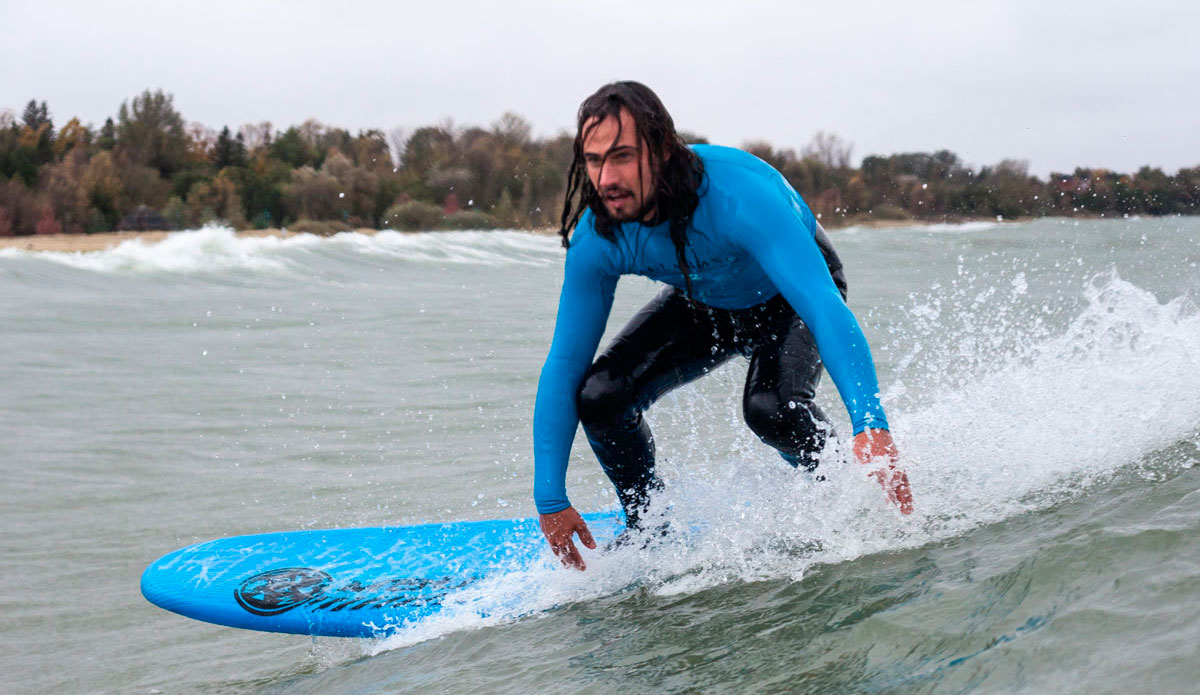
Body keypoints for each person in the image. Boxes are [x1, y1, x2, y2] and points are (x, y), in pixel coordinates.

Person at [533, 81, 913, 570]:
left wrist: (871, 424)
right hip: (705, 299)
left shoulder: (736, 194)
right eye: (593, 159)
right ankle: (651, 529)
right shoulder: (599, 236)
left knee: (770, 408)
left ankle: (850, 496)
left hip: (792, 296)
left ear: (662, 149)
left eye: (622, 156)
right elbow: (565, 365)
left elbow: (821, 305)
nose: (606, 178)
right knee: (601, 395)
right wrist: (550, 498)